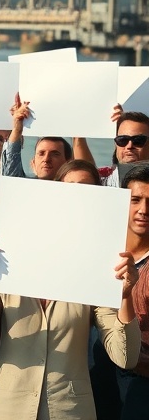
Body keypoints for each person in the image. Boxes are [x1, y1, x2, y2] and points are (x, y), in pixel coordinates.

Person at [0, 227, 140, 419]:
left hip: (69, 410)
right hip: (8, 409)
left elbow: (125, 357)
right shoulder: (6, 275)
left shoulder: (89, 278)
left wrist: (125, 296)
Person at [116, 165, 149, 419]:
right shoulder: (101, 251)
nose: (143, 210)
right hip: (92, 373)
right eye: (135, 200)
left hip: (140, 381)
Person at [74, 110, 149, 187]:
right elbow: (84, 169)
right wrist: (79, 129)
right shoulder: (103, 178)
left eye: (138, 140)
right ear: (116, 144)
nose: (129, 146)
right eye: (122, 140)